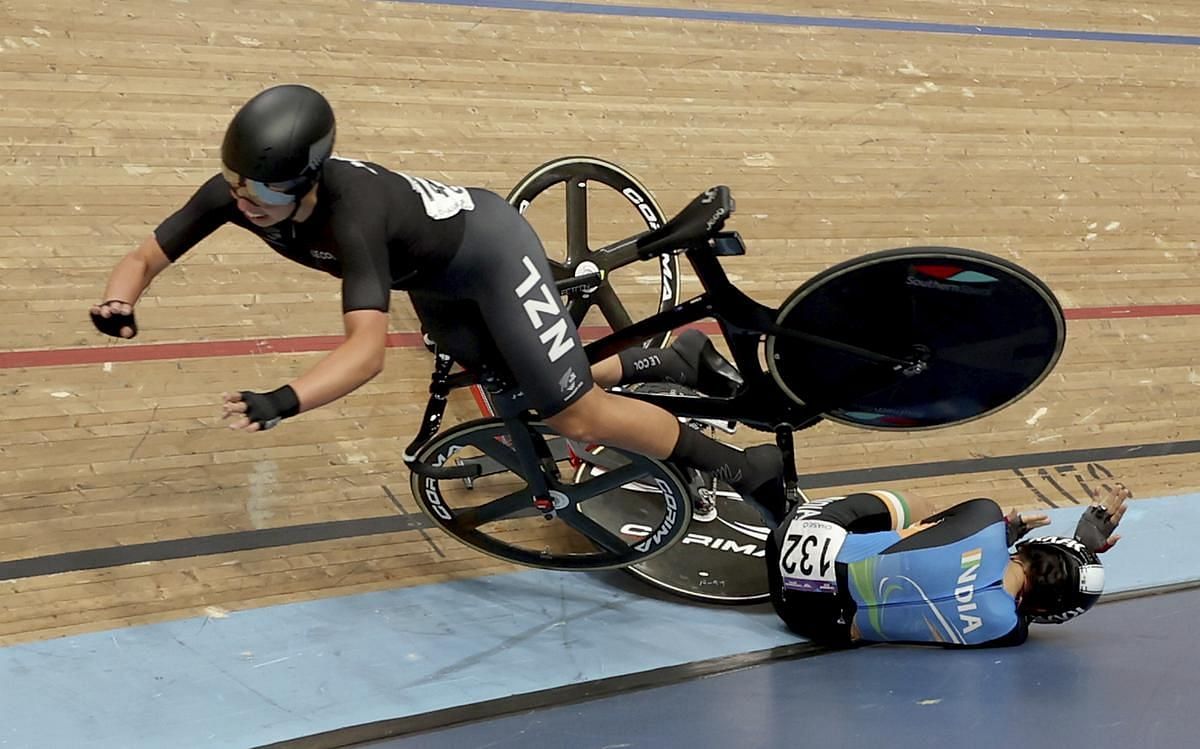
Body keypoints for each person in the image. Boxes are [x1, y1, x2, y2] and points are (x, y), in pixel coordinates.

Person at [88, 84, 786, 519]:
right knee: (518, 380)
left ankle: (736, 466)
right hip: (431, 274)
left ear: (307, 180)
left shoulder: (350, 216)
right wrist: (121, 298)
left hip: (489, 250)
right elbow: (147, 254)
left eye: (265, 194)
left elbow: (365, 354)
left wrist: (283, 399)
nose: (246, 204)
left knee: (571, 407)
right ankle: (675, 358)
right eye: (237, 185)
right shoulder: (240, 193)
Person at [766, 481, 1130, 647]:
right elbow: (1024, 609)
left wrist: (1006, 533)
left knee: (921, 513)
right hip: (806, 620)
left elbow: (937, 529)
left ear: (1038, 544)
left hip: (795, 541)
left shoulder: (984, 518)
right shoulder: (1006, 632)